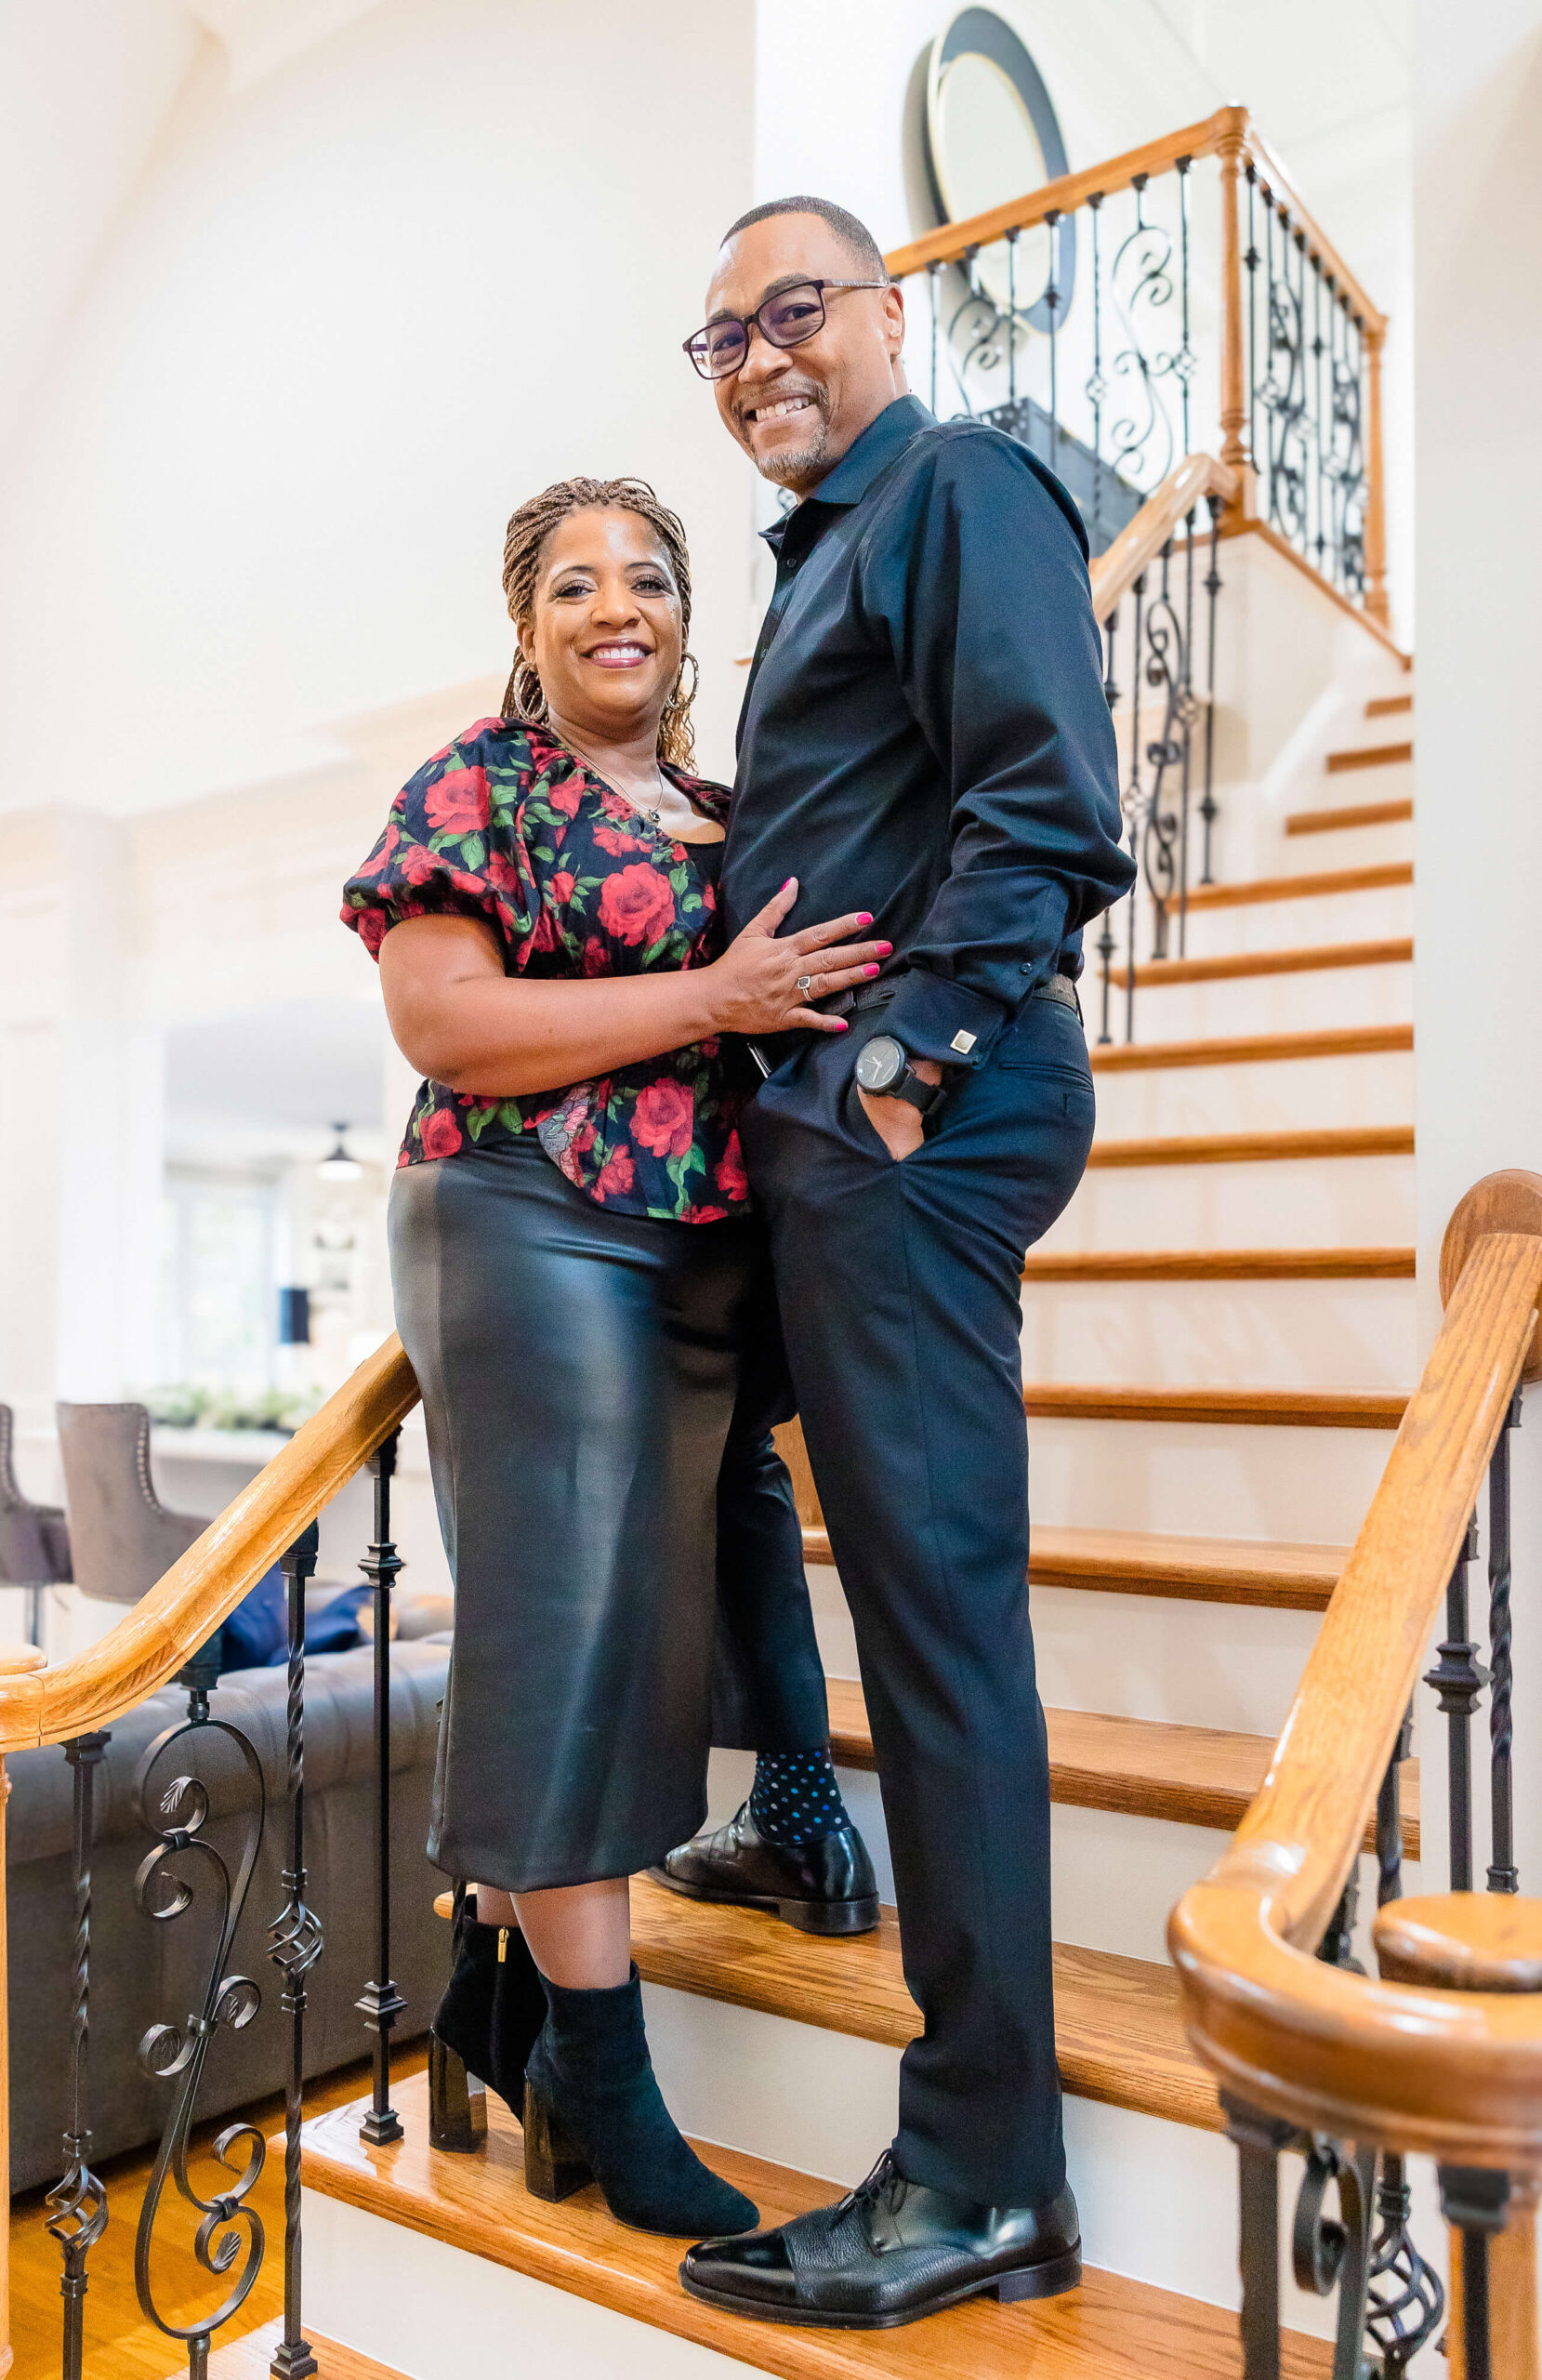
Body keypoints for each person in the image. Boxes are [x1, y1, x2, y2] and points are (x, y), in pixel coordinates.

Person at [670, 200, 1135, 2328]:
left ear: (887, 315)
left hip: (910, 1129)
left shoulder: (954, 486)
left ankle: (983, 2168)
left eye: (795, 311)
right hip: (837, 1139)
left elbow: (1047, 802)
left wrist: (901, 1068)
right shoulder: (828, 558)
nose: (760, 354)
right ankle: (789, 1819)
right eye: (720, 337)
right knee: (724, 1481)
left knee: (941, 1637)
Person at [339, 475, 887, 2239]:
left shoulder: (737, 816)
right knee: (571, 1624)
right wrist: (710, 999)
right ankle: (602, 2067)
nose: (613, 606)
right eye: (572, 584)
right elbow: (447, 1022)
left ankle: (497, 1993)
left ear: (683, 616)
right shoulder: (478, 786)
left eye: (645, 577)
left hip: (694, 1260)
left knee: (637, 1631)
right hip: (524, 1214)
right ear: (529, 626)